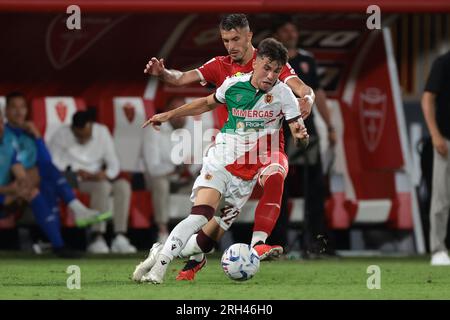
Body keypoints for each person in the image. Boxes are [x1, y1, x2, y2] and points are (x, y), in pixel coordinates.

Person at [143, 14, 315, 270]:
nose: (230, 46)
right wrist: (163, 73)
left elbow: (301, 88)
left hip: (264, 152)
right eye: (225, 40)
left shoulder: (269, 62)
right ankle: (168, 254)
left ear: (249, 36)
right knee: (205, 228)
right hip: (228, 154)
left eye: (236, 39)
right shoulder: (221, 67)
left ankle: (253, 244)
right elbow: (181, 79)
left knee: (273, 178)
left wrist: (308, 100)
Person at [4, 93, 108, 257]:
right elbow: (16, 165)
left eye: (22, 107)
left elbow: (46, 160)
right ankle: (74, 214)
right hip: (9, 187)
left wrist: (38, 137)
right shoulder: (4, 134)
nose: (18, 112)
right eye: (13, 107)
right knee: (46, 172)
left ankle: (57, 244)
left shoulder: (29, 134)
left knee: (47, 181)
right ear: (6, 111)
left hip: (29, 185)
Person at [272, 17, 337, 257]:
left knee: (316, 187)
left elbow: (318, 93)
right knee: (279, 186)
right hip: (280, 130)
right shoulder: (271, 61)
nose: (291, 34)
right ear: (277, 34)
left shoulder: (307, 60)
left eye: (293, 30)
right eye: (285, 30)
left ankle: (316, 244)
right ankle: (277, 243)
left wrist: (330, 126)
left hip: (306, 129)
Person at [48, 111, 136, 254]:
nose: (83, 139)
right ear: (73, 129)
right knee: (103, 187)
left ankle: (120, 236)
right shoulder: (61, 135)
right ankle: (97, 237)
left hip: (98, 176)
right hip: (75, 179)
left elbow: (114, 163)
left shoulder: (102, 132)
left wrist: (104, 174)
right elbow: (53, 163)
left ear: (92, 127)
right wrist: (75, 171)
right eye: (79, 135)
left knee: (123, 186)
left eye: (86, 135)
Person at [143, 96, 191, 243]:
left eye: (183, 113)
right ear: (168, 112)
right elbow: (153, 168)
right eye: (177, 112)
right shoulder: (155, 130)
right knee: (161, 182)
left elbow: (194, 163)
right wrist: (176, 169)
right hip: (158, 180)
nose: (180, 117)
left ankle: (199, 235)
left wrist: (194, 169)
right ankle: (163, 232)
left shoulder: (190, 132)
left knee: (206, 183)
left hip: (181, 181)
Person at [421, 50, 450, 266]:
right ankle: (438, 249)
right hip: (445, 141)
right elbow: (427, 99)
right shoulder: (443, 62)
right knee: (441, 198)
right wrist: (435, 134)